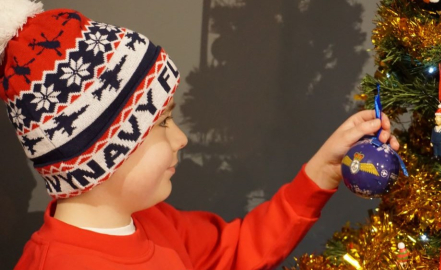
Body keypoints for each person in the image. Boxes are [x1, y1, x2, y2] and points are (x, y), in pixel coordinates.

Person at [1, 1, 399, 269]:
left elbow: (239, 250)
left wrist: (320, 173)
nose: (181, 139)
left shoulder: (155, 221)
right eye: (162, 123)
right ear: (101, 154)